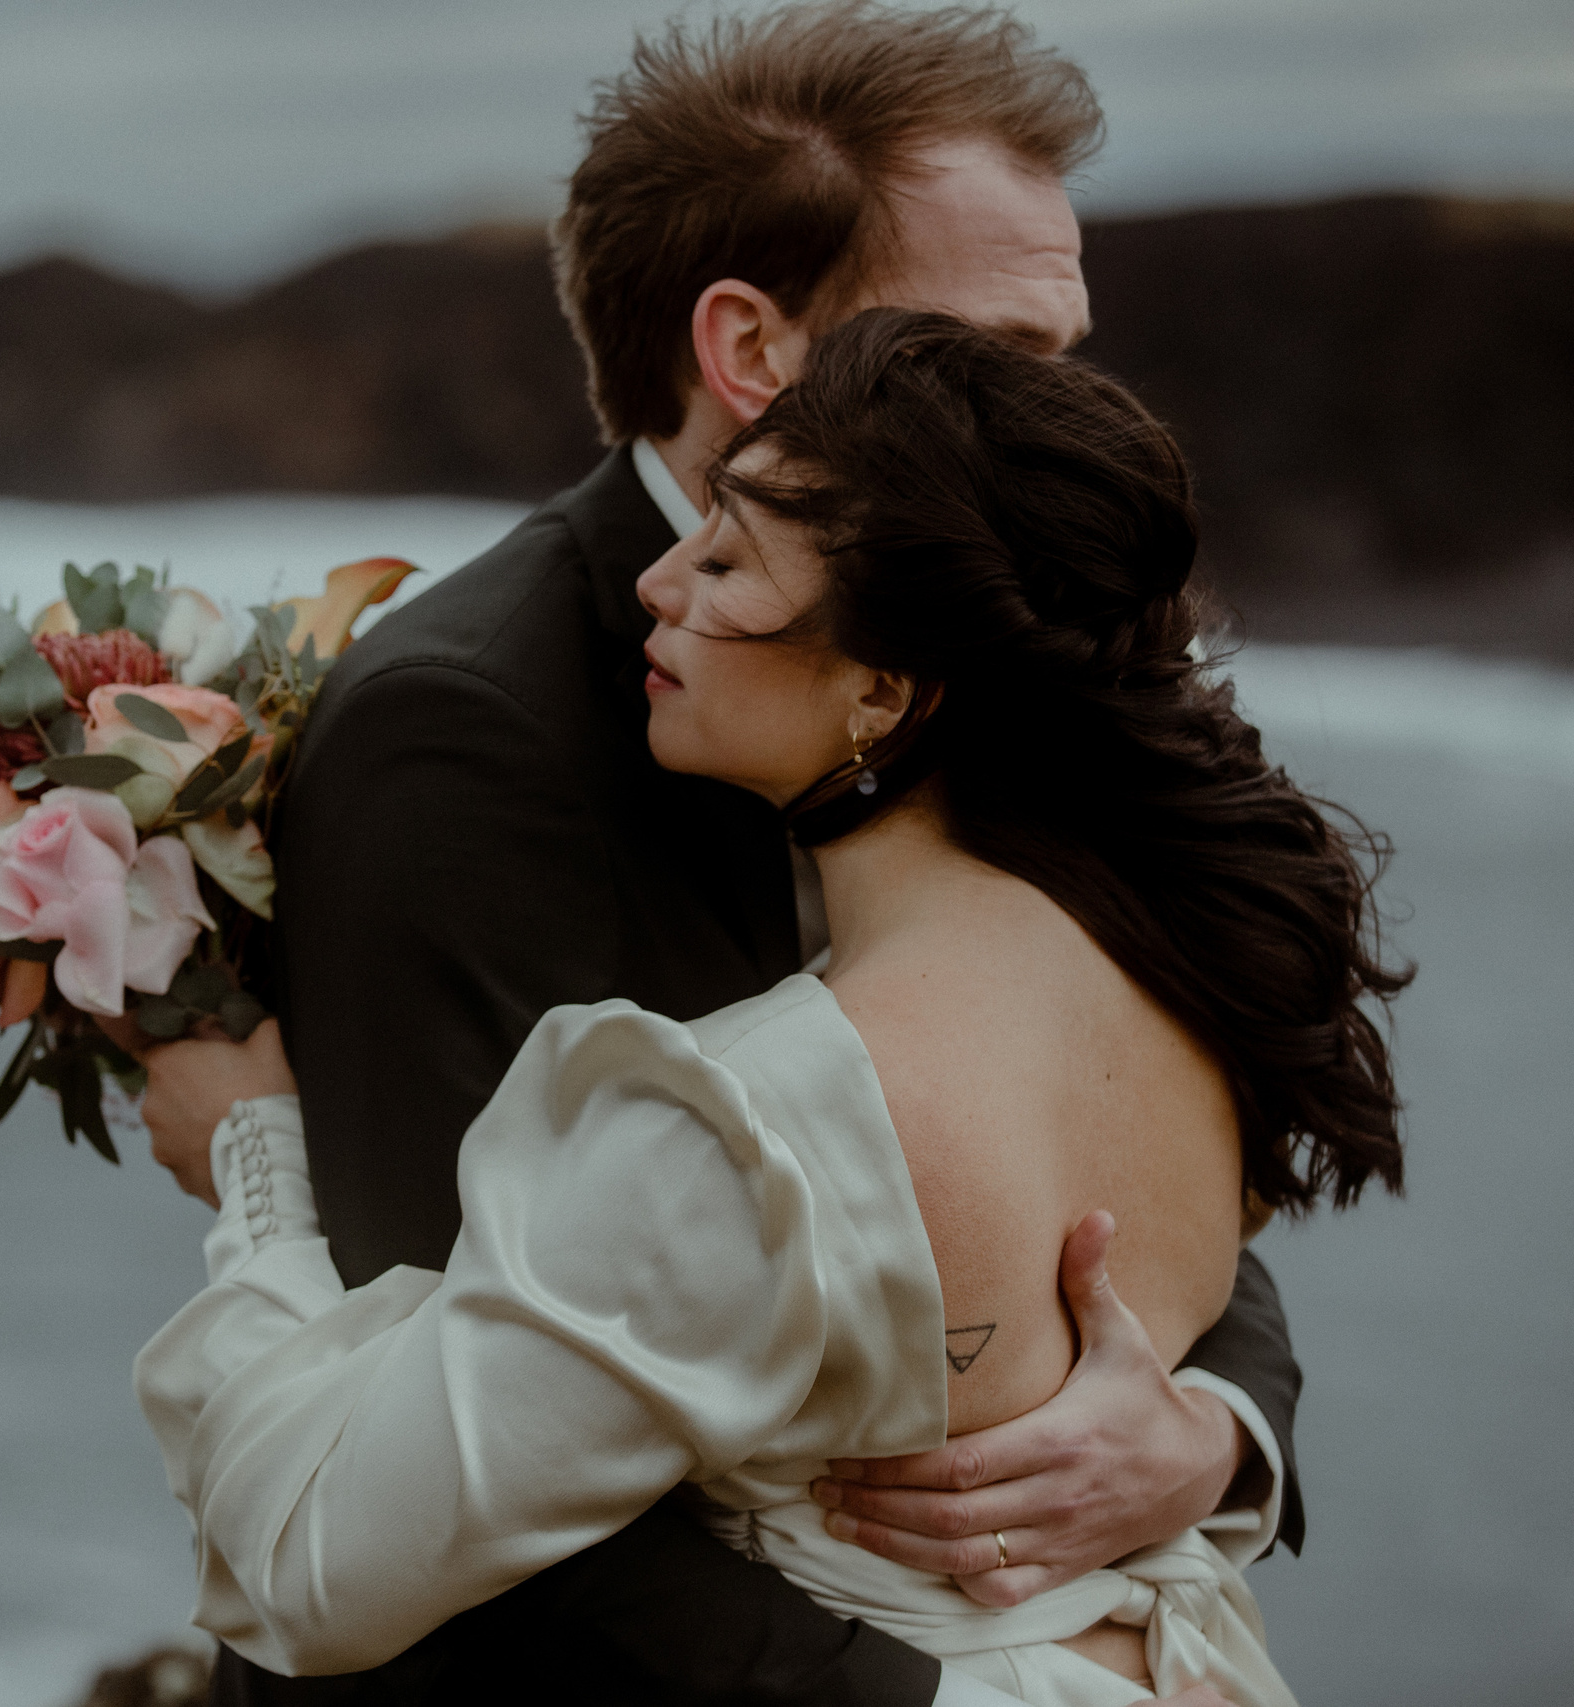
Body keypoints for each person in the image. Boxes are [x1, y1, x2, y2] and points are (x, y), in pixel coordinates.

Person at [125, 9, 1308, 1705]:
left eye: (1067, 353)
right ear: (751, 345)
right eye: (999, 351)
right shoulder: (466, 735)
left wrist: (1210, 1436)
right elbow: (455, 1497)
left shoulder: (1038, 647)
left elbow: (1147, 1110)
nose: (1059, 414)